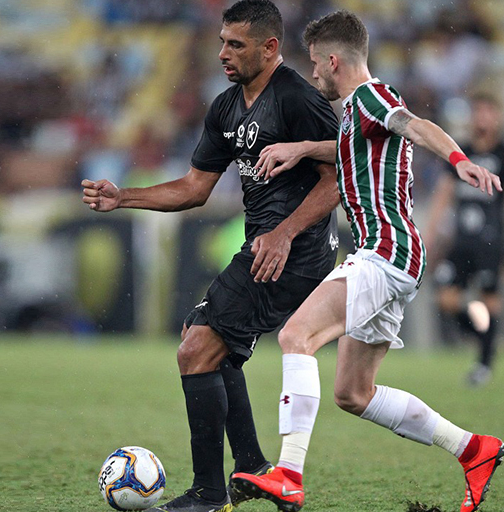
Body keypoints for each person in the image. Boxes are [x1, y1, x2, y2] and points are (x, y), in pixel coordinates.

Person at [231, 10, 504, 512]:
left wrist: (460, 161)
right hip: (396, 256)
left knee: (296, 336)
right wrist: (300, 148)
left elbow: (415, 126)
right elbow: (350, 147)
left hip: (384, 250)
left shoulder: (371, 97)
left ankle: (289, 473)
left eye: (315, 65)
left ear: (334, 61)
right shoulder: (359, 113)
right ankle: (473, 449)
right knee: (354, 393)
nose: (313, 75)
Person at [82, 2, 341, 511]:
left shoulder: (298, 99)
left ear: (270, 48)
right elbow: (195, 187)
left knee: (196, 349)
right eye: (222, 41)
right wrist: (124, 197)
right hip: (264, 248)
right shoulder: (225, 108)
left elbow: (338, 179)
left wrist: (286, 232)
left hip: (295, 253)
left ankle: (208, 493)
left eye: (236, 45)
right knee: (204, 345)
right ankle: (253, 467)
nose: (222, 53)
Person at [423, 92, 504, 387]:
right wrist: (429, 236)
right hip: (460, 242)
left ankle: (483, 365)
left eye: (488, 112)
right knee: (446, 299)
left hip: (490, 243)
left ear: (498, 117)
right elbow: (442, 197)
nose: (482, 117)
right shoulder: (460, 153)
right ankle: (486, 337)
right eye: (478, 111)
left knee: (490, 302)